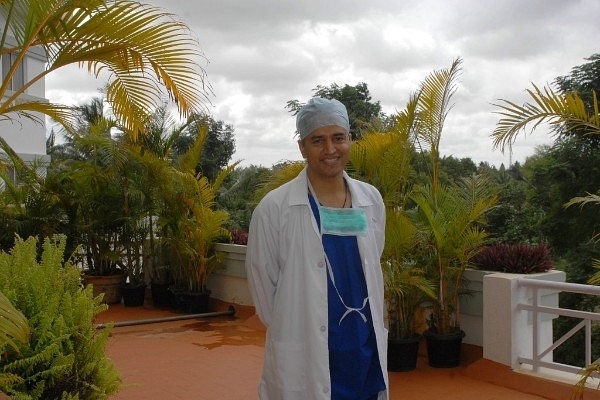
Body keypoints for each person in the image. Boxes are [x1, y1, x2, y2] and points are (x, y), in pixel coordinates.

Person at [245, 97, 389, 400]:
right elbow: (263, 288)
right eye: (317, 140)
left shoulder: (371, 200)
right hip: (304, 354)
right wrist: (297, 325)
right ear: (302, 147)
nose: (330, 150)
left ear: (350, 140)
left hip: (364, 351)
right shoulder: (274, 209)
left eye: (338, 138)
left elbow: (372, 263)